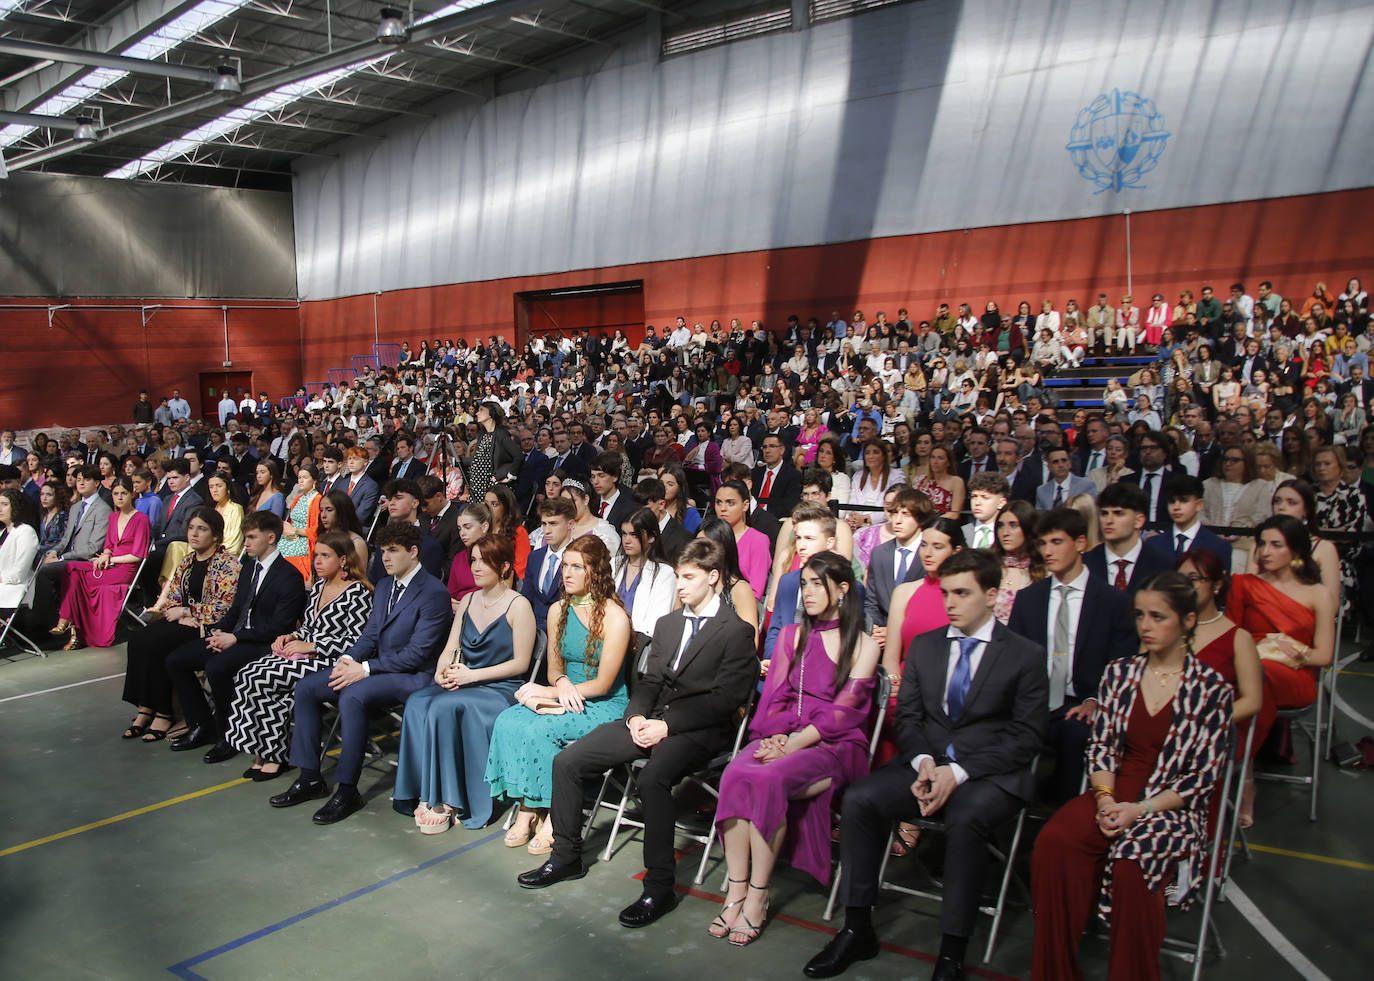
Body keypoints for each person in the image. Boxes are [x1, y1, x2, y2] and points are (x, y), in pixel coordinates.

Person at [804, 549, 1047, 981]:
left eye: (962, 593)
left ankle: (952, 952)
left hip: (987, 773)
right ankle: (857, 928)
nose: (950, 602)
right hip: (924, 765)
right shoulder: (928, 647)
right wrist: (923, 763)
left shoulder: (1024, 656)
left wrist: (958, 772)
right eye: (946, 592)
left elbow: (1025, 738)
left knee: (968, 817)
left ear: (992, 596)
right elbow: (910, 718)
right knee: (860, 799)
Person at [517, 538, 759, 933]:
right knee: (569, 761)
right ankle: (566, 857)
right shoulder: (669, 624)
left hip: (700, 730)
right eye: (677, 576)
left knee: (653, 777)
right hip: (650, 720)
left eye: (689, 577)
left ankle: (658, 887)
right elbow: (649, 682)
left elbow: (725, 700)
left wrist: (668, 726)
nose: (679, 585)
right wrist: (636, 716)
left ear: (714, 578)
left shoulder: (736, 631)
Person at [1030, 572, 1233, 981]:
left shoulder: (1212, 689)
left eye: (1158, 616)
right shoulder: (1119, 673)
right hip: (1113, 793)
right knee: (1055, 842)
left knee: (1132, 862)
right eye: (1140, 615)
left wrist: (1138, 809)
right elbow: (1101, 747)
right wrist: (1106, 800)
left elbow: (1201, 779)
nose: (1145, 625)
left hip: (1169, 807)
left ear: (1187, 621)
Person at [712, 551, 880, 946]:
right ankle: (735, 889)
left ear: (842, 589)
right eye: (803, 584)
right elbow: (774, 700)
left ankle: (758, 895)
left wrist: (792, 744)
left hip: (835, 746)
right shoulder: (792, 636)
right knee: (736, 772)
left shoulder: (864, 645)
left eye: (817, 584)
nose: (807, 592)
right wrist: (776, 736)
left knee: (767, 778)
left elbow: (845, 714)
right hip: (785, 734)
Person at [272, 521, 453, 824]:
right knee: (306, 688)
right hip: (378, 668)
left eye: (393, 551)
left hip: (414, 676)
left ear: (413, 551)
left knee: (353, 695)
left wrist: (365, 669)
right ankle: (309, 777)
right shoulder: (384, 585)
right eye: (382, 551)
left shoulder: (433, 591)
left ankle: (347, 789)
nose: (385, 557)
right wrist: (347, 660)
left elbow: (417, 654)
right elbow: (369, 636)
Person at [488, 536, 632, 854]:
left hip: (603, 704)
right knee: (509, 720)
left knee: (541, 729)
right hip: (566, 694)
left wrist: (556, 691)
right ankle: (528, 807)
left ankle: (554, 815)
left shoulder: (615, 617)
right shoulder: (558, 611)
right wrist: (561, 684)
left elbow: (604, 684)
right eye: (565, 565)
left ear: (595, 571)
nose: (567, 573)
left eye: (577, 567)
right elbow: (555, 669)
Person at [394, 534, 536, 832]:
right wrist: (441, 671)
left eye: (485, 561)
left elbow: (521, 664)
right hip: (466, 681)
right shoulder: (469, 599)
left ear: (505, 566)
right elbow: (450, 646)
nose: (476, 566)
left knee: (445, 706)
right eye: (473, 560)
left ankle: (447, 799)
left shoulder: (518, 605)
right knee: (419, 701)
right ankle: (423, 789)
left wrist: (472, 675)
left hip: (501, 689)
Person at [1007, 507, 1137, 803]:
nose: (1047, 551)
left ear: (1080, 544)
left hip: (1083, 702)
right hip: (1033, 702)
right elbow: (1013, 656)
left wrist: (1096, 701)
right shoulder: (1029, 599)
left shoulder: (1114, 602)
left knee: (1075, 735)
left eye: (1056, 542)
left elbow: (1122, 665)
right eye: (1042, 544)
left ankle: (1062, 817)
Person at [225, 532, 373, 780]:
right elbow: (307, 628)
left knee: (264, 678)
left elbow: (355, 641)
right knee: (248, 673)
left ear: (343, 560)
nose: (318, 561)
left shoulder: (357, 593)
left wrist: (312, 645)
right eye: (316, 555)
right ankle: (262, 748)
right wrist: (291, 637)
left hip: (329, 660)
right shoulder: (317, 588)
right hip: (303, 654)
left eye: (325, 556)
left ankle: (274, 754)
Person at [165, 511, 309, 761]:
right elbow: (236, 610)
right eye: (245, 537)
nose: (247, 543)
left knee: (217, 668)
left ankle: (228, 735)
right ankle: (201, 724)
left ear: (271, 537)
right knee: (176, 660)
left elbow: (279, 627)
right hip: (238, 635)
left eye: (252, 537)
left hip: (265, 643)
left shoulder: (289, 575)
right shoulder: (250, 566)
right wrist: (218, 630)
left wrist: (236, 638)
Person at [1227, 515, 1335, 823]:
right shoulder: (1243, 585)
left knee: (1259, 675)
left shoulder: (1319, 594)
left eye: (1276, 545)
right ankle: (1243, 773)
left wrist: (1294, 652)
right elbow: (1231, 638)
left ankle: (1238, 772)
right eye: (1262, 544)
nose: (1265, 552)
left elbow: (1324, 655)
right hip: (1247, 668)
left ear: (1296, 551)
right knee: (1251, 675)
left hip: (1294, 673)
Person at [122, 509, 239, 741]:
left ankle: (164, 713)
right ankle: (145, 708)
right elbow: (173, 596)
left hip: (206, 625)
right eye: (191, 528)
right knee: (137, 639)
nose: (194, 534)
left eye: (202, 529)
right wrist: (178, 612)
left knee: (158, 645)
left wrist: (189, 611)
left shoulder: (228, 564)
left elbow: (224, 607)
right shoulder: (187, 560)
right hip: (181, 621)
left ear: (215, 536)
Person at [51, 476, 151, 650]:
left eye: (124, 493)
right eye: (116, 494)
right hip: (109, 565)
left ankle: (67, 622)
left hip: (126, 569)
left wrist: (111, 559)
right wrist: (105, 555)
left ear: (132, 494)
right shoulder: (113, 517)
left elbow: (137, 555)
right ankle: (69, 624)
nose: (120, 497)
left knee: (76, 578)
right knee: (71, 567)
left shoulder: (140, 519)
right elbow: (108, 546)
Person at [31, 465, 113, 632]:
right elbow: (65, 540)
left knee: (45, 571)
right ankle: (28, 613)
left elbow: (93, 547)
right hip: (68, 557)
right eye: (79, 479)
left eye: (86, 479)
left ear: (97, 482)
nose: (81, 482)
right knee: (35, 560)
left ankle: (38, 624)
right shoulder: (75, 507)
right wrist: (53, 552)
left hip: (84, 560)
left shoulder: (103, 509)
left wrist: (61, 558)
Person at [863, 486, 926, 649]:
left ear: (920, 518)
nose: (897, 520)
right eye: (894, 513)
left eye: (905, 514)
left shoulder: (929, 553)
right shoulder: (879, 554)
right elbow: (871, 601)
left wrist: (895, 632)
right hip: (880, 643)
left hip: (919, 642)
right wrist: (876, 630)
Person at [1086, 483, 1173, 595]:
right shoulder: (1084, 564)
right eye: (1104, 513)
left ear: (1139, 521)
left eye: (1118, 513)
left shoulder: (1164, 565)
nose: (1108, 520)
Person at [1142, 475, 1233, 569]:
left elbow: (1222, 582)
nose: (1176, 507)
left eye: (1183, 501)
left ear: (1199, 505)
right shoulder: (1153, 544)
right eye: (1172, 501)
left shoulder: (1218, 546)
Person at [612, 507, 677, 638]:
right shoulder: (613, 564)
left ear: (651, 536)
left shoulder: (664, 573)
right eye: (624, 533)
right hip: (607, 638)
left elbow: (657, 620)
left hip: (640, 644)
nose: (627, 540)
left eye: (634, 535)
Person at [714, 479, 770, 601]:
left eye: (730, 503)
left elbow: (756, 592)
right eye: (718, 502)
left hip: (740, 608)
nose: (723, 508)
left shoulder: (758, 540)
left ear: (745, 505)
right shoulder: (710, 536)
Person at [992, 499, 1043, 623]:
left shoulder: (1042, 570)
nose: (1005, 533)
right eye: (1000, 526)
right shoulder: (987, 566)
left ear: (1028, 529)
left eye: (1013, 525)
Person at [0, 489, 40, 622]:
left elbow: (19, 572)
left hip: (13, 590)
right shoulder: (2, 533)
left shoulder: (26, 532)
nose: (0, 508)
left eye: (5, 504)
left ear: (16, 506)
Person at [279, 463, 322, 580]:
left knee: (282, 549)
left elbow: (316, 530)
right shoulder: (299, 498)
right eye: (299, 478)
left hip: (305, 539)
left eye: (305, 477)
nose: (301, 481)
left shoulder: (317, 499)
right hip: (293, 535)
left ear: (314, 480)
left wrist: (295, 530)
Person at [485, 484, 531, 580]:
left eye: (494, 504)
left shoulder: (519, 532)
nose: (488, 508)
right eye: (486, 504)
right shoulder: (481, 530)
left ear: (506, 507)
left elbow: (522, 570)